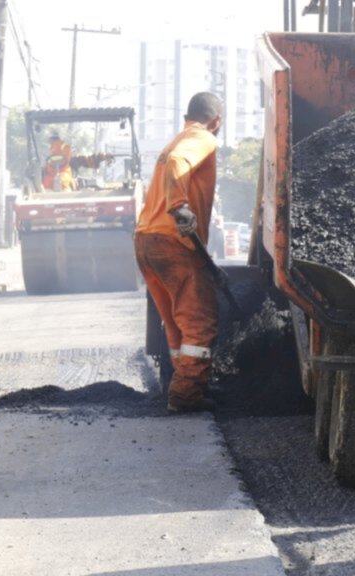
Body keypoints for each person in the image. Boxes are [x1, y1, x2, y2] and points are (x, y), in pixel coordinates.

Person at [134, 92, 225, 413]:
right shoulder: (202, 138)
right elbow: (178, 164)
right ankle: (186, 395)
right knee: (200, 320)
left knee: (175, 322)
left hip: (147, 239)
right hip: (174, 242)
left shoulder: (176, 139)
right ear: (216, 122)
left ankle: (176, 385)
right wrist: (180, 207)